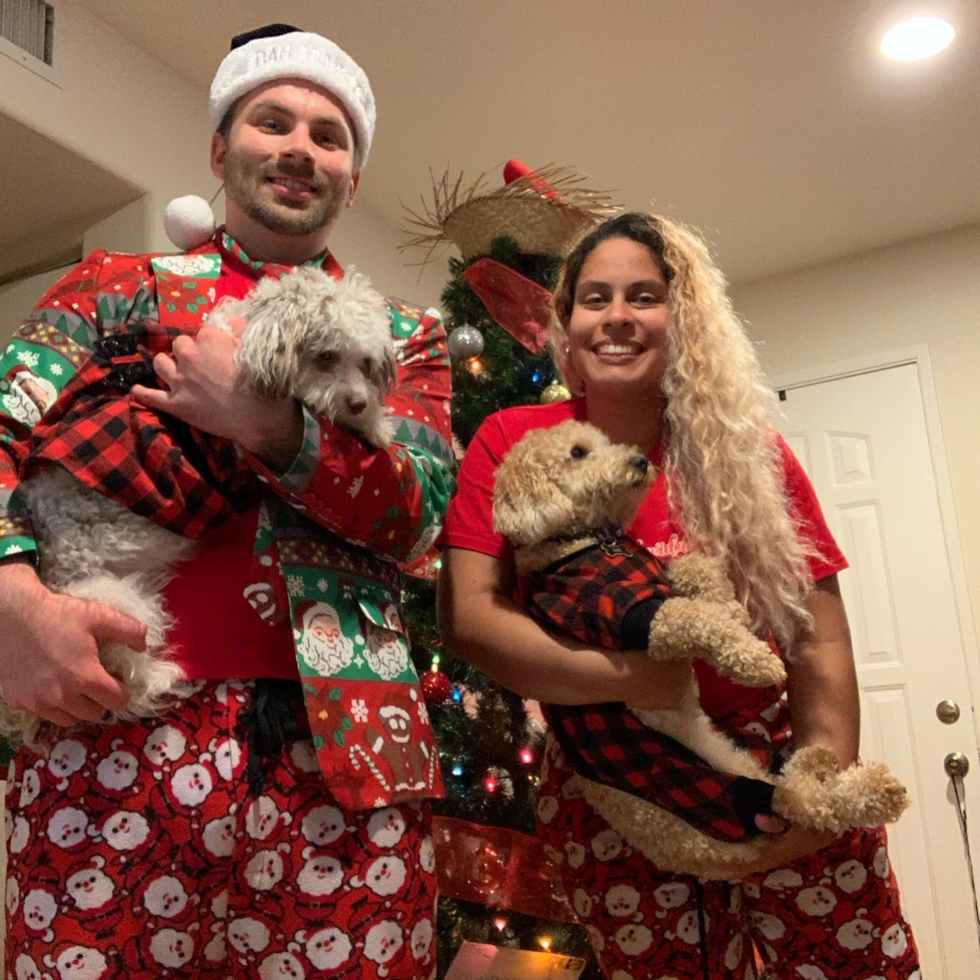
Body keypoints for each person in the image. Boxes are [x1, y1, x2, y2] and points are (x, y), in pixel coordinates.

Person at [0, 24, 452, 980]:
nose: (300, 147)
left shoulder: (405, 338)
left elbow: (419, 515)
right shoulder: (115, 286)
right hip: (109, 733)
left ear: (352, 177)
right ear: (220, 148)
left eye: (330, 136)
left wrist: (270, 429)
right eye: (271, 120)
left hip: (351, 760)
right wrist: (11, 603)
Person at [438, 212, 918, 979]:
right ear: (566, 322)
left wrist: (818, 777)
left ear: (682, 315)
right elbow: (470, 619)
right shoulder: (513, 438)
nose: (618, 317)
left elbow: (817, 634)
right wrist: (637, 680)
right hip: (614, 785)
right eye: (595, 298)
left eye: (644, 296)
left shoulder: (747, 450)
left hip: (774, 761)